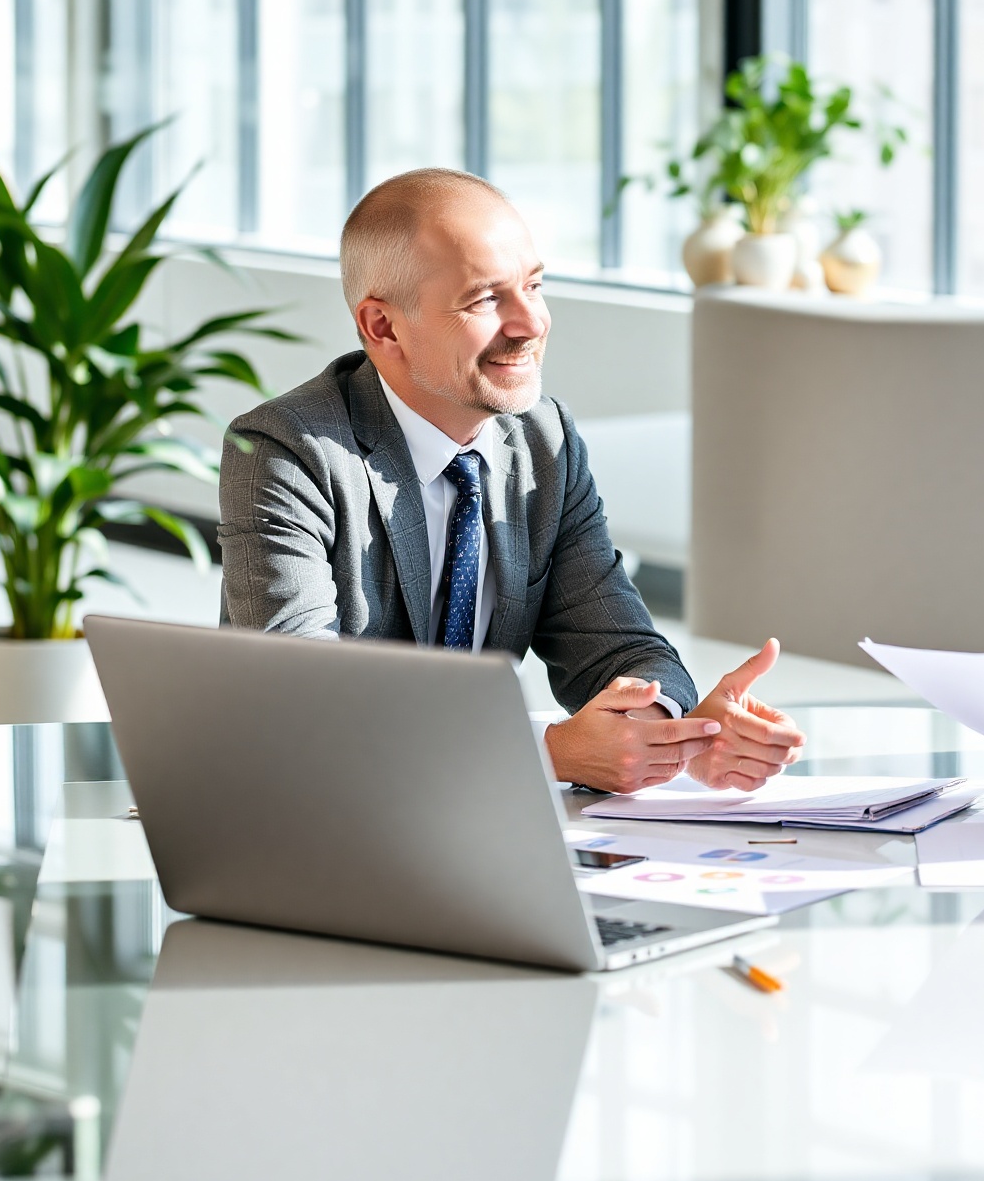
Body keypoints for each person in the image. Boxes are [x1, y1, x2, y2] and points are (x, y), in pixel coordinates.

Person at [219, 168, 804, 797]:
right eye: (485, 299)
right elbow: (299, 707)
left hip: (478, 832)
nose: (531, 323)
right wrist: (545, 753)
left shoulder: (542, 440)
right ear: (383, 327)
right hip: (317, 819)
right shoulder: (287, 450)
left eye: (534, 285)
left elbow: (617, 645)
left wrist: (665, 732)